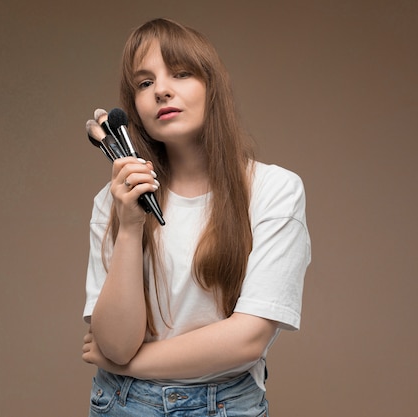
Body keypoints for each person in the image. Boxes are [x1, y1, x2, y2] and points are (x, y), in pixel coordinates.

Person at [81, 17, 311, 417]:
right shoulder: (116, 200)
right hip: (121, 404)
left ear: (212, 87)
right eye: (144, 83)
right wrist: (130, 227)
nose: (162, 90)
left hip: (225, 405)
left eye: (181, 73)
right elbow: (116, 342)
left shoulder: (275, 191)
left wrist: (129, 365)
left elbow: (248, 340)